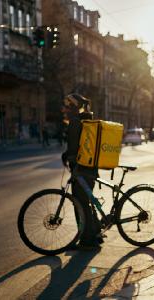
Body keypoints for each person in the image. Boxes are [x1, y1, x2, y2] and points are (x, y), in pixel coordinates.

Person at [61, 93, 103, 248]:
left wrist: (67, 156)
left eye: (66, 106)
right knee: (86, 202)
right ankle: (95, 233)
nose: (63, 109)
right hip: (90, 168)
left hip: (81, 169)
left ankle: (88, 240)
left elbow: (73, 147)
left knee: (80, 203)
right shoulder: (87, 119)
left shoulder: (75, 122)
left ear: (72, 107)